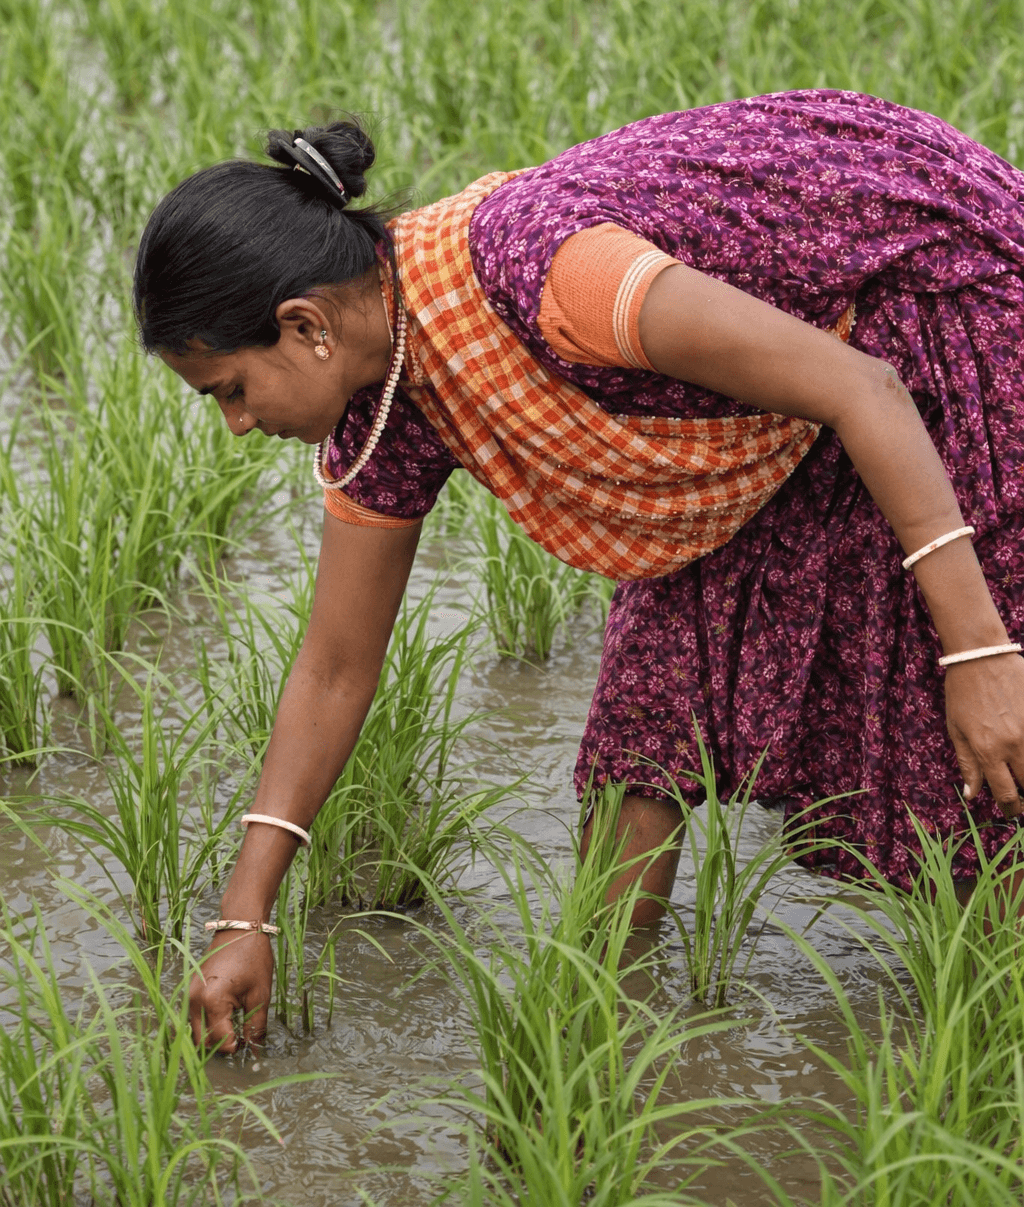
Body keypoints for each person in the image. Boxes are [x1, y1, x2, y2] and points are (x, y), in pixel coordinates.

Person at [134, 90, 1024, 1053]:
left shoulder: (555, 275)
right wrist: (244, 916)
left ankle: (994, 1029)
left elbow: (861, 387)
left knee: (963, 726)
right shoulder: (381, 405)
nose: (234, 422)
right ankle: (590, 1047)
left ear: (306, 325)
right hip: (762, 405)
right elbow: (337, 664)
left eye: (230, 388)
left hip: (923, 303)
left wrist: (977, 649)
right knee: (648, 715)